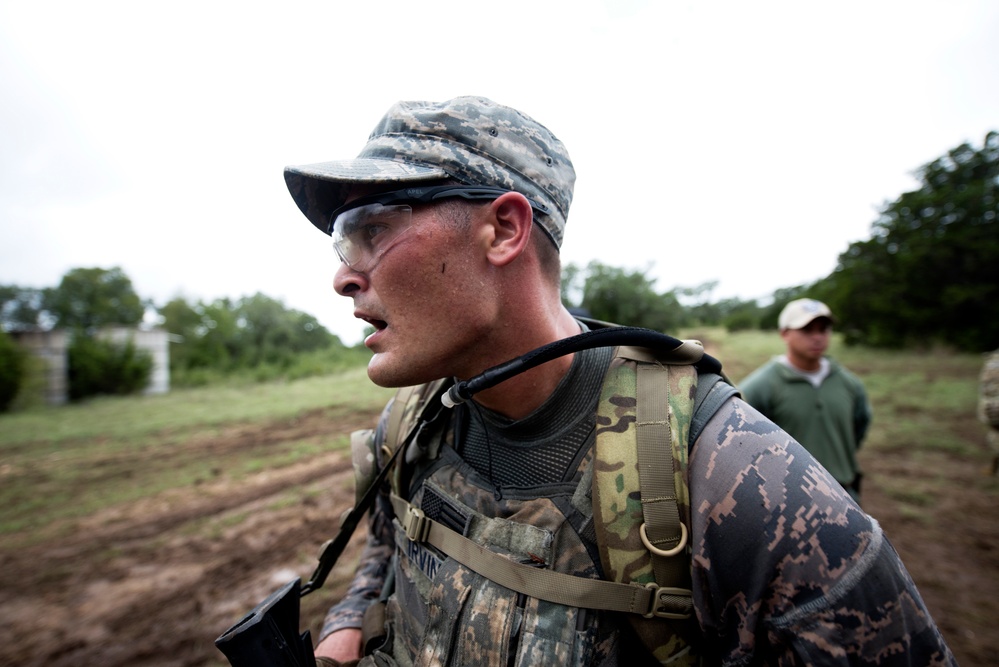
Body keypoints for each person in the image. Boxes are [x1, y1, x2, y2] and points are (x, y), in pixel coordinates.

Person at [283, 97, 954, 666]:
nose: (344, 275)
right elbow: (387, 547)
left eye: (371, 229)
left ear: (503, 229)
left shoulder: (752, 490)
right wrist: (348, 625)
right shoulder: (409, 426)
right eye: (345, 243)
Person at [739, 299, 872, 503]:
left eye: (824, 329)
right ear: (784, 333)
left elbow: (859, 427)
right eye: (807, 330)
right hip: (789, 502)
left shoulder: (849, 384)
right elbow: (742, 442)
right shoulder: (760, 386)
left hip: (845, 495)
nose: (817, 337)